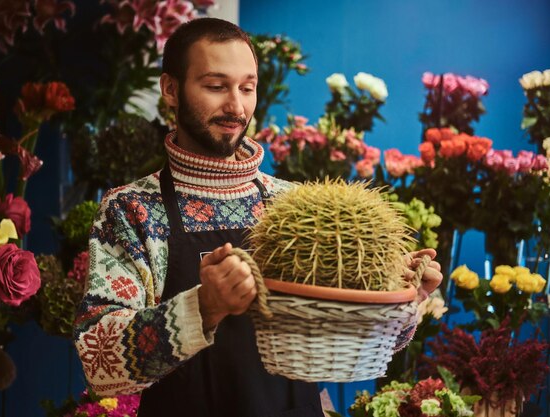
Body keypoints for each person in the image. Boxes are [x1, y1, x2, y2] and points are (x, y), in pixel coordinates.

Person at [73, 17, 443, 417]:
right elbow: (101, 366)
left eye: (247, 88)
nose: (236, 106)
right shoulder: (132, 210)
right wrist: (204, 306)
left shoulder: (295, 204)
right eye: (216, 86)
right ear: (171, 90)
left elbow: (343, 329)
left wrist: (404, 299)